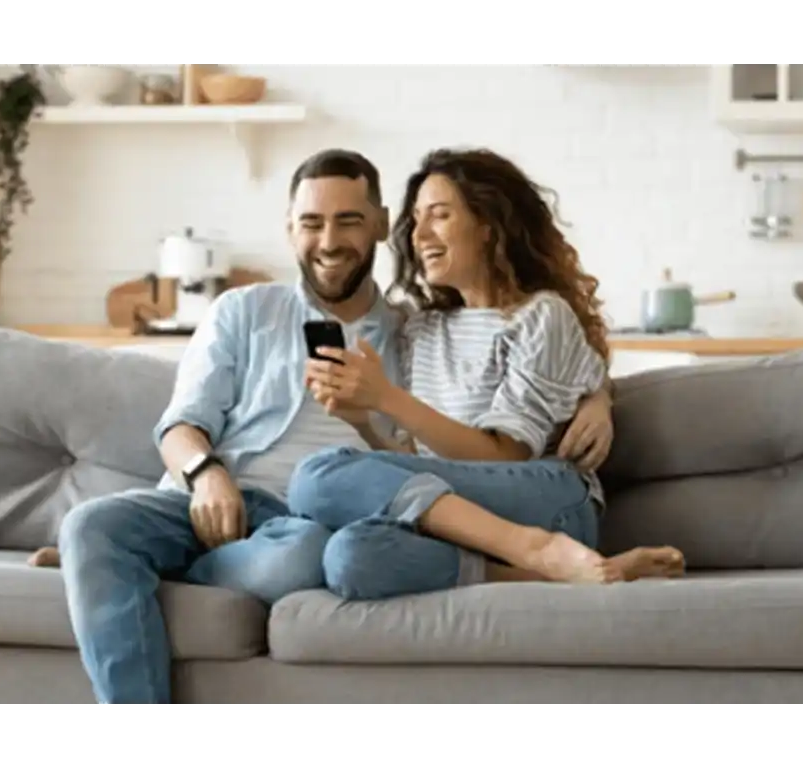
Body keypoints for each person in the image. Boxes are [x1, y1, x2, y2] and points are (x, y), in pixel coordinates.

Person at [47, 148, 613, 704]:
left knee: (313, 552)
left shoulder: (408, 330)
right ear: (289, 227)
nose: (329, 242)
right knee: (89, 526)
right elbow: (179, 427)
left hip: (302, 524)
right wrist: (206, 473)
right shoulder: (243, 310)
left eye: (349, 221)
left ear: (379, 226)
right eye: (311, 223)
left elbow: (534, 365)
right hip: (205, 500)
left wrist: (598, 397)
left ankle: (139, 571)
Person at [288, 147, 684, 601]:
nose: (419, 235)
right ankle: (554, 571)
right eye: (416, 219)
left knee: (315, 476)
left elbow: (505, 457)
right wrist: (362, 421)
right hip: (465, 511)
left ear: (489, 226)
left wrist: (387, 398)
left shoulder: (540, 316)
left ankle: (537, 547)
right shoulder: (423, 328)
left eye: (439, 215)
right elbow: (418, 466)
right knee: (350, 556)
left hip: (545, 499)